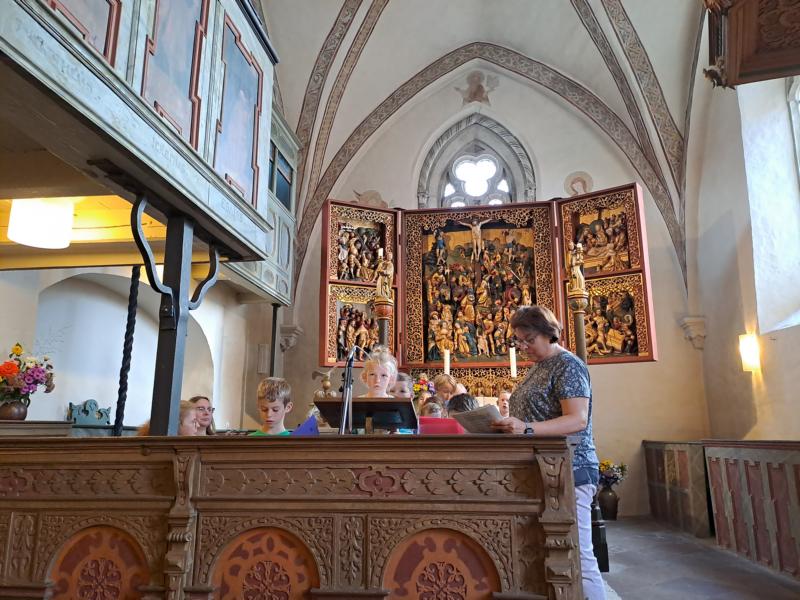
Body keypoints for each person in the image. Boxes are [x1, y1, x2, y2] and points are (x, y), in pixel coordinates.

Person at [492, 305, 607, 600]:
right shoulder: (539, 367)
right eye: (519, 341)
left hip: (571, 468)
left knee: (577, 553)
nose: (523, 346)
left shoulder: (568, 365)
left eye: (529, 339)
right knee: (552, 551)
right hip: (542, 467)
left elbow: (577, 420)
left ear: (549, 333)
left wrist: (526, 429)